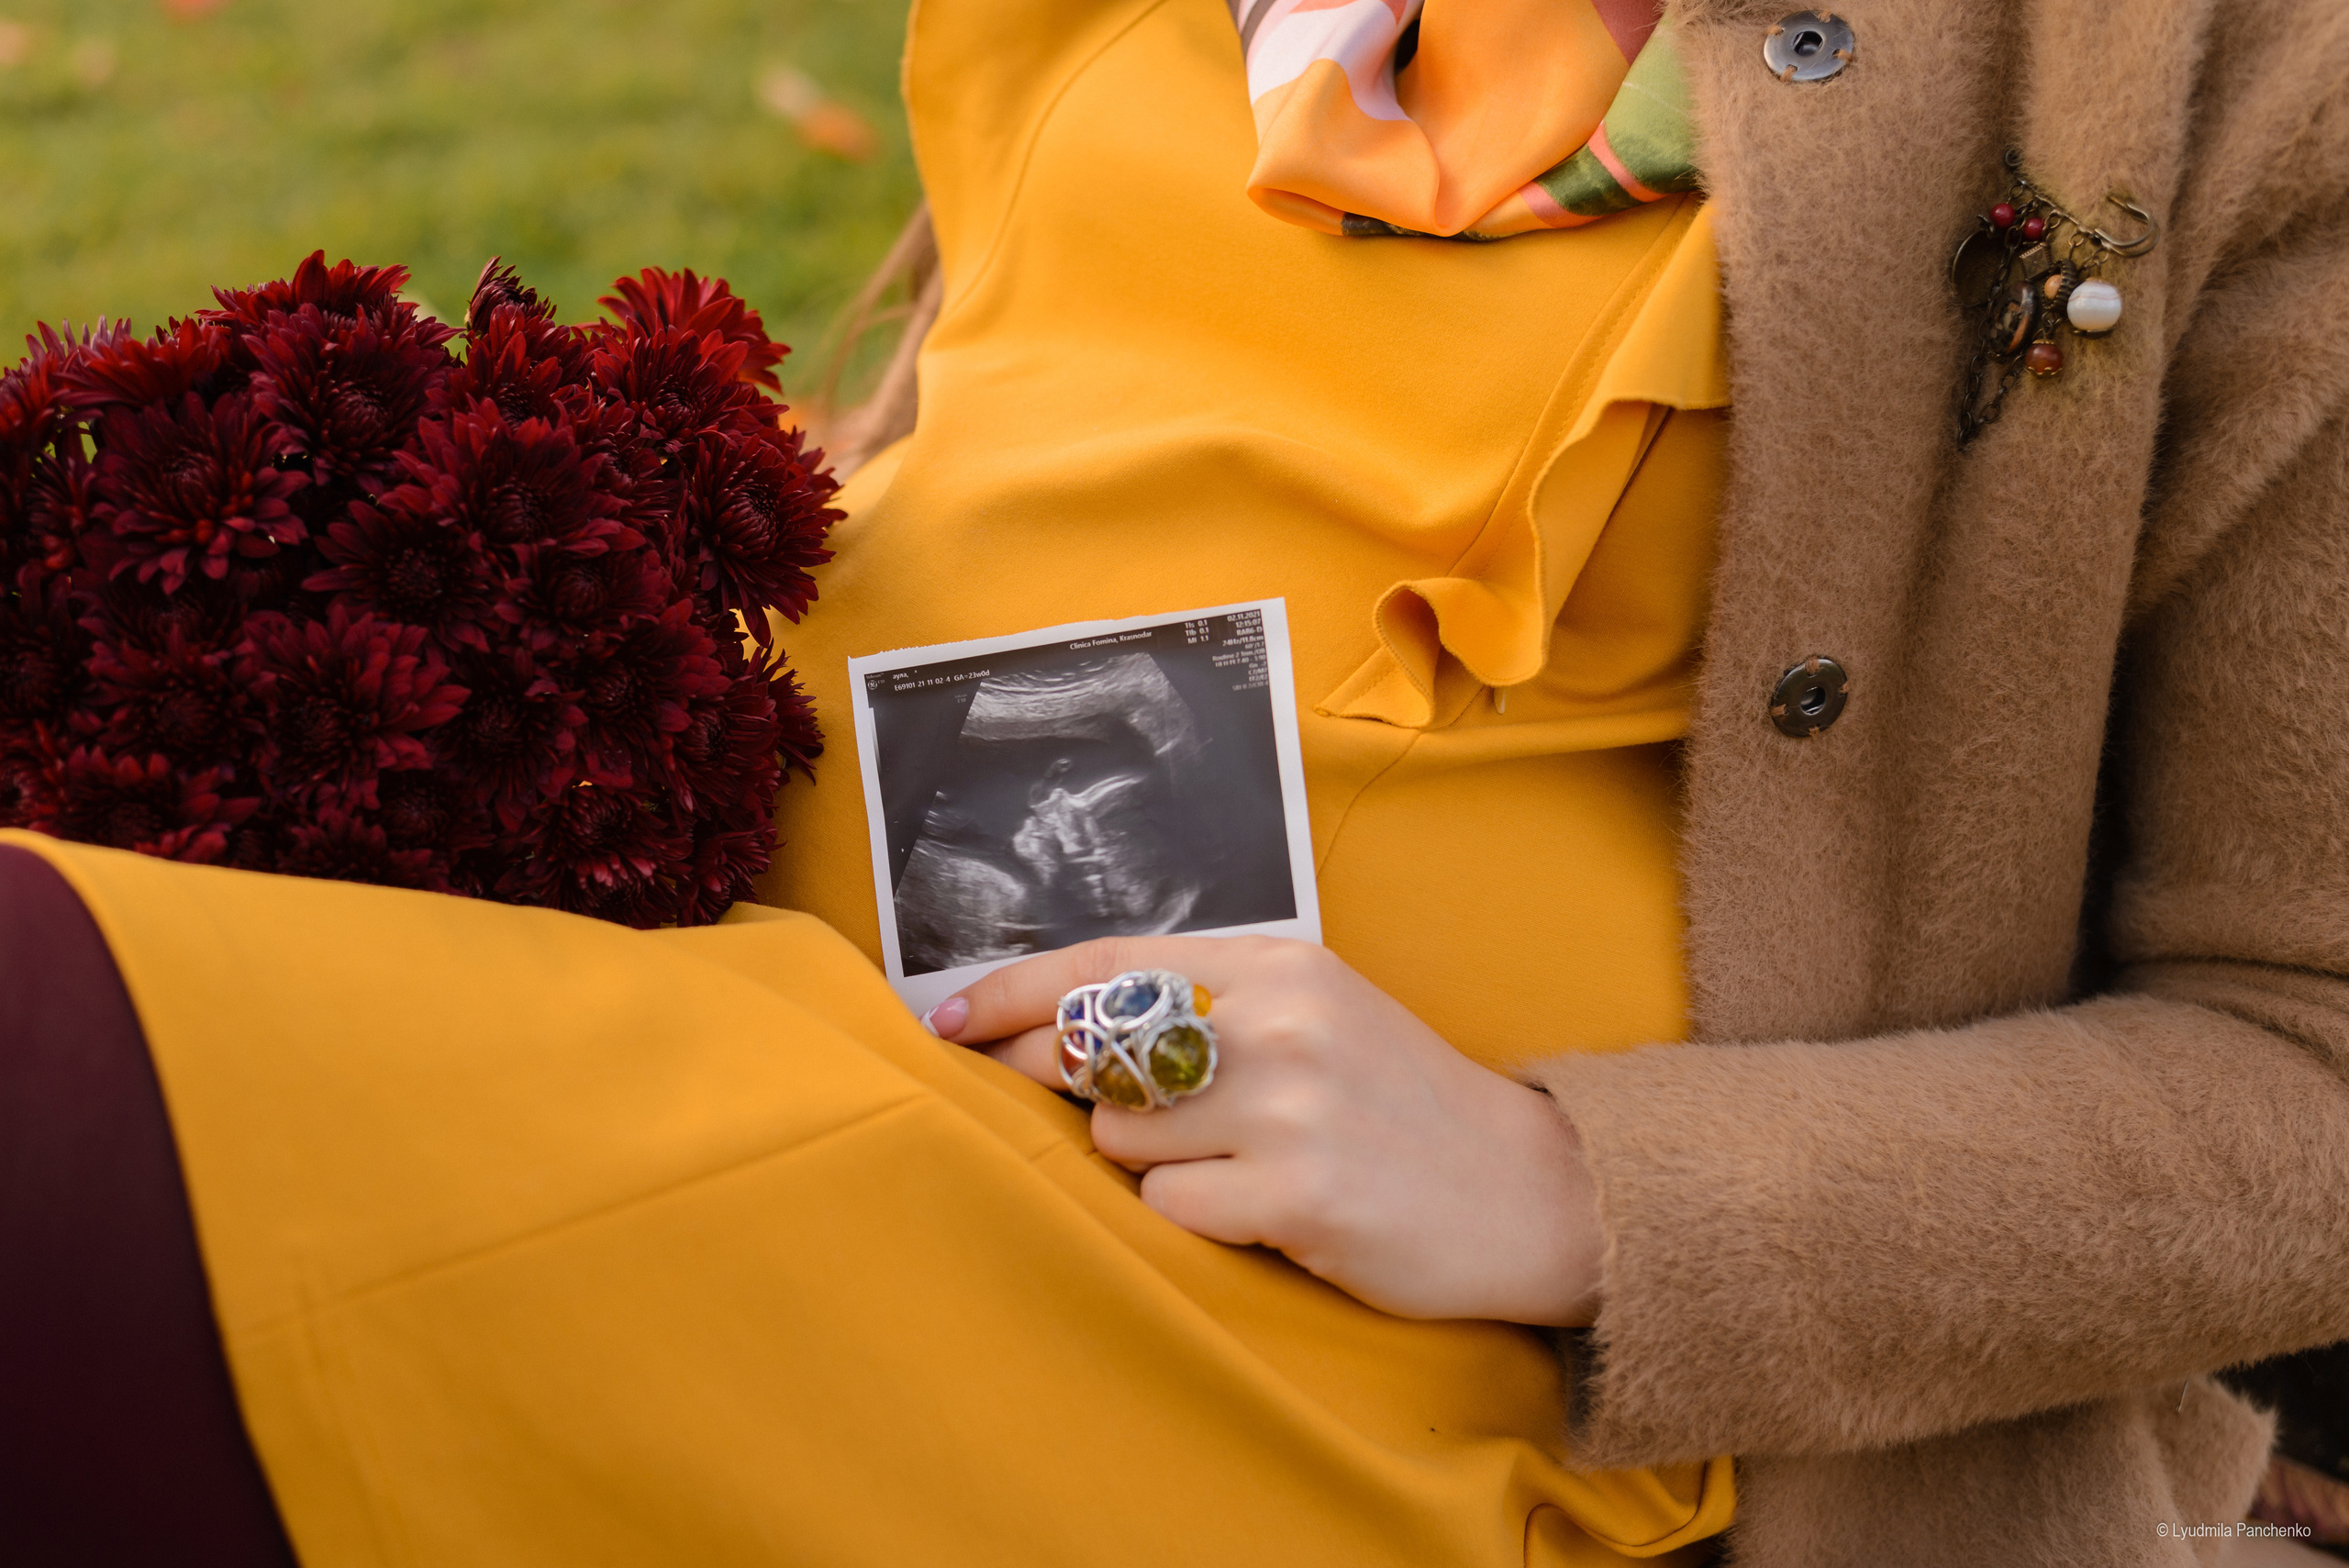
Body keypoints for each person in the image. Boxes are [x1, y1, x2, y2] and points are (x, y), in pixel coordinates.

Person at [6, 1, 2348, 1564]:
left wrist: (1584, 1199)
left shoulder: (2225, 69)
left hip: (1334, 1363)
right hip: (757, 1019)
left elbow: (2308, 1066)